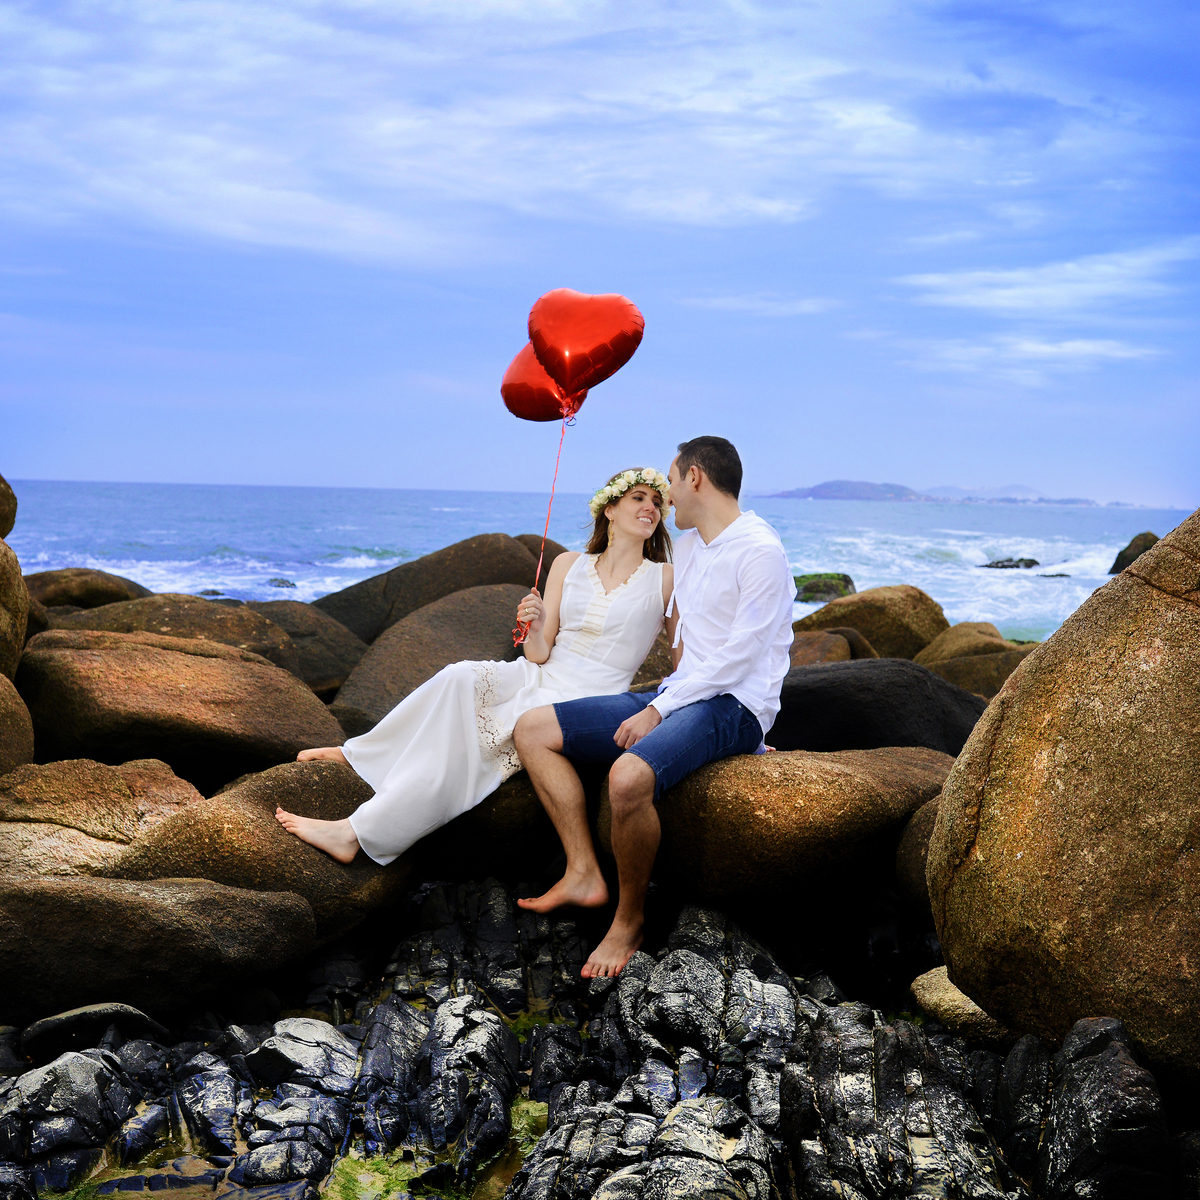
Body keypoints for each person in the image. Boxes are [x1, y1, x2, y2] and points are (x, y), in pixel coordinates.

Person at [275, 467, 675, 866]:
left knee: (468, 745)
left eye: (657, 502)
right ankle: (359, 755)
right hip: (541, 673)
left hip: (589, 700)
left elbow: (682, 663)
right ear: (609, 509)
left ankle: (354, 833)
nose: (650, 508)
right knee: (459, 676)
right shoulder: (568, 564)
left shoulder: (666, 578)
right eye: (638, 498)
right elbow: (538, 653)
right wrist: (535, 626)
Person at [513, 436, 795, 978]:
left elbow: (742, 657)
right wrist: (661, 701)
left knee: (627, 779)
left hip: (735, 703)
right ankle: (581, 870)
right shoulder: (686, 550)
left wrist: (662, 713)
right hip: (682, 692)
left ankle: (629, 921)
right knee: (533, 728)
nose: (666, 497)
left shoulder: (760, 550)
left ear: (695, 478)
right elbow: (681, 643)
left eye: (671, 481)